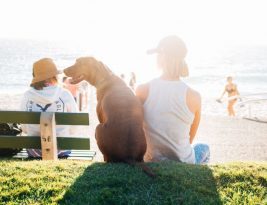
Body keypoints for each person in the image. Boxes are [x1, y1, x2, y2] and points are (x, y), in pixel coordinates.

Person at [136, 35, 210, 164]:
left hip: (152, 159)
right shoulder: (194, 96)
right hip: (184, 162)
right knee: (204, 147)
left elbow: (137, 128)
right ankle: (198, 177)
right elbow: (189, 139)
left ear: (162, 57)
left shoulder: (142, 90)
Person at [20, 58, 78, 158]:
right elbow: (75, 124)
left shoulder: (27, 95)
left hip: (34, 150)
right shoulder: (65, 94)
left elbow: (24, 128)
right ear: (54, 76)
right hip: (61, 149)